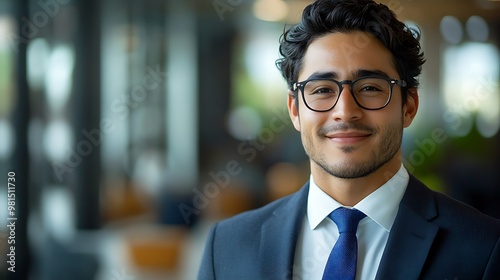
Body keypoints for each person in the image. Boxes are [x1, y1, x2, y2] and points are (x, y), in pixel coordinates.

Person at [198, 0, 500, 279]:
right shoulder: (226, 246)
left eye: (370, 88)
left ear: (408, 106)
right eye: (322, 90)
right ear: (294, 110)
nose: (345, 111)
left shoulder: (485, 248)